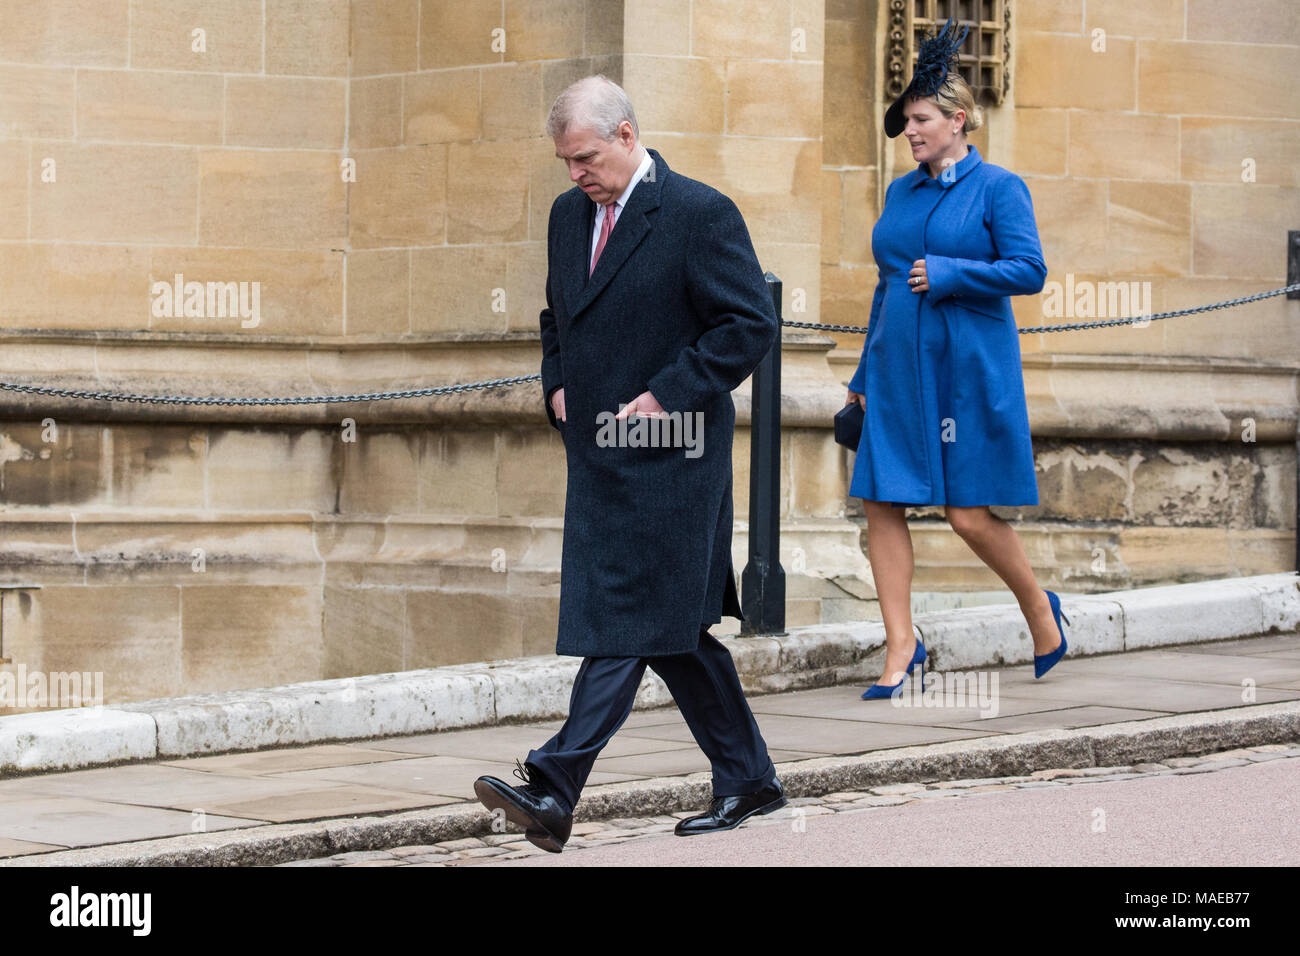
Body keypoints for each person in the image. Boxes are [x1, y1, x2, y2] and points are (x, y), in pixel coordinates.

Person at [472, 75, 785, 852]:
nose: (576, 174)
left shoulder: (698, 213)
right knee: (673, 633)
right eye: (565, 162)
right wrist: (556, 383)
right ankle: (748, 780)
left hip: (674, 457)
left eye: (584, 157)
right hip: (601, 456)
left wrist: (668, 395)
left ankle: (554, 783)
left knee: (627, 619)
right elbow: (556, 315)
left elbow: (748, 324)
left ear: (626, 135)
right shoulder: (565, 215)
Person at [845, 19, 1070, 700]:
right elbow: (887, 286)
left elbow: (1028, 270)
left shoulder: (999, 188)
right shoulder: (901, 192)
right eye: (907, 121)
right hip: (895, 372)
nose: (910, 132)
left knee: (966, 512)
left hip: (967, 369)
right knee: (880, 501)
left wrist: (950, 273)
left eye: (921, 119)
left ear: (957, 120)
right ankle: (902, 644)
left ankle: (1039, 608)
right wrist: (860, 377)